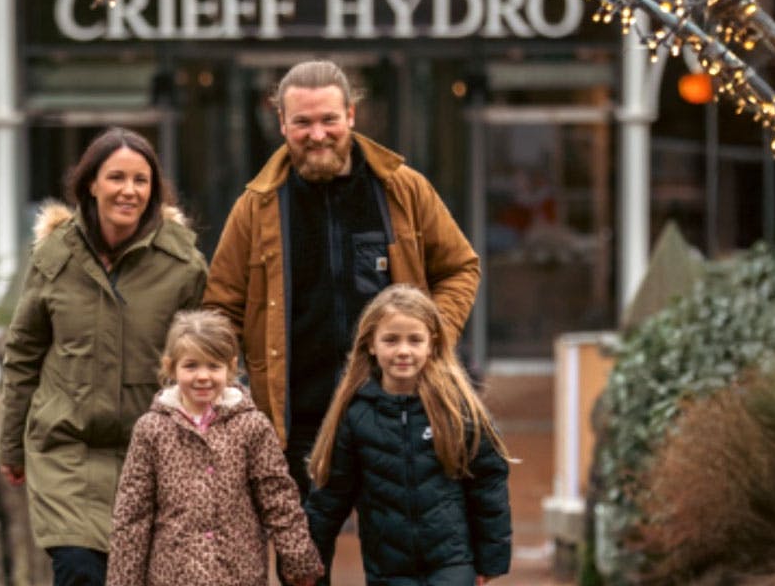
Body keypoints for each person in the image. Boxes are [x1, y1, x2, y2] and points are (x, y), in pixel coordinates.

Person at [203, 59, 481, 497]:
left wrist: (427, 337)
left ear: (351, 115)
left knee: (400, 551)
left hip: (395, 408)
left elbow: (460, 267)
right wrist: (226, 388)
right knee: (306, 559)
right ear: (281, 124)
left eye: (329, 119)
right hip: (296, 421)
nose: (318, 135)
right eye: (303, 123)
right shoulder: (255, 207)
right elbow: (221, 306)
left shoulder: (403, 189)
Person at [0, 127, 209, 586]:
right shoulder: (55, 257)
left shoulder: (182, 266)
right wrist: (11, 443)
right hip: (67, 450)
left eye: (141, 180)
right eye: (116, 177)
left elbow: (206, 359)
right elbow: (24, 352)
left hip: (152, 454)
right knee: (80, 570)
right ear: (90, 183)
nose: (128, 191)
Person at [304, 284, 512, 586]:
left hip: (452, 564)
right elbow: (329, 497)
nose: (403, 350)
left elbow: (488, 482)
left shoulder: (456, 408)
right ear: (372, 344)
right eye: (391, 340)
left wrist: (491, 557)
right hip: (388, 570)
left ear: (432, 343)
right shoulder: (356, 415)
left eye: (415, 340)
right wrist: (309, 562)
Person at [106, 310, 324, 586]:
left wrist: (298, 558)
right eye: (191, 366)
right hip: (172, 575)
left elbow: (277, 496)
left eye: (213, 366)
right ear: (171, 367)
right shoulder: (151, 429)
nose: (203, 376)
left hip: (237, 573)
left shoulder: (251, 426)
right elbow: (132, 513)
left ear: (231, 368)